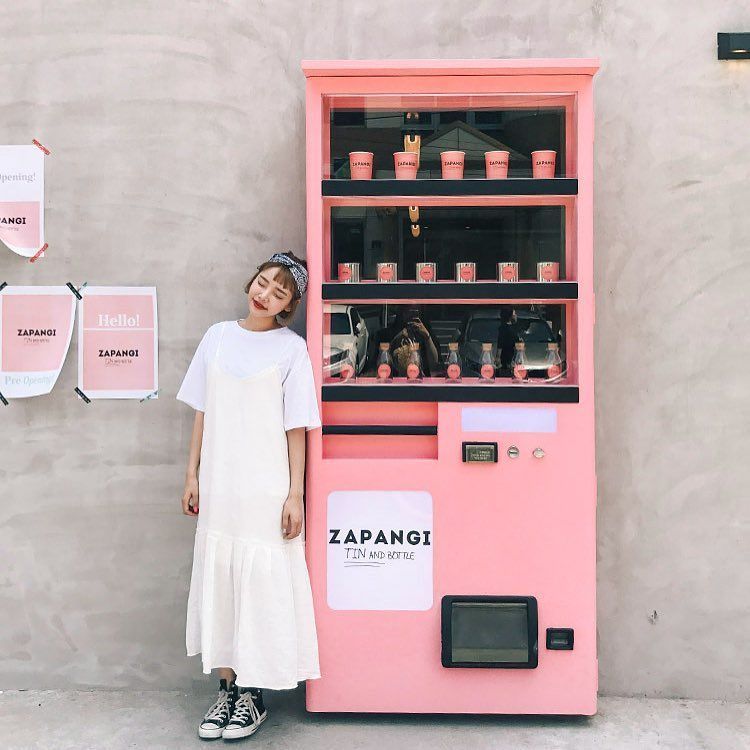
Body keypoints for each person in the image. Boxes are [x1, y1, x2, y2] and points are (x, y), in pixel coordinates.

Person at [176, 251, 322, 740]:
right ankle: (226, 692)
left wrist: (294, 495)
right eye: (263, 283)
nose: (265, 294)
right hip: (221, 484)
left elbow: (296, 427)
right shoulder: (217, 338)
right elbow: (201, 411)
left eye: (280, 292)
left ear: (289, 305)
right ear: (251, 282)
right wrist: (192, 473)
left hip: (265, 487)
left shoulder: (291, 350)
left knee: (260, 585)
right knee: (222, 580)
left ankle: (253, 697)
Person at [381, 305, 440, 377]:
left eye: (415, 311)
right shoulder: (389, 333)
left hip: (422, 380)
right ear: (402, 312)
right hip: (395, 380)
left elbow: (434, 363)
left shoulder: (426, 332)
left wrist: (427, 336)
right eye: (408, 310)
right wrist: (399, 338)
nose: (411, 314)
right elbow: (384, 360)